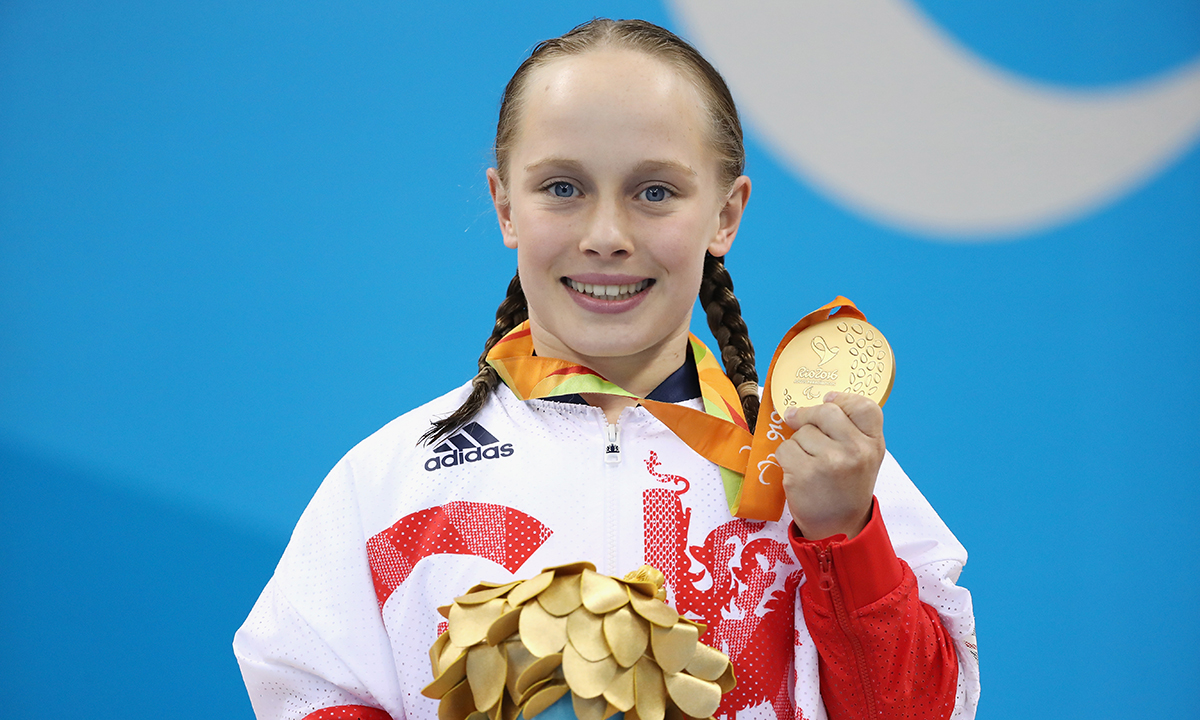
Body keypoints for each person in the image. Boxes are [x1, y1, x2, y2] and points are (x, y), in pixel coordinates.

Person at [234, 18, 979, 720]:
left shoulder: (821, 470)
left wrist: (845, 537)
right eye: (563, 188)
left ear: (725, 215)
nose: (606, 235)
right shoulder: (391, 482)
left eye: (655, 192)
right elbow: (305, 690)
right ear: (505, 206)